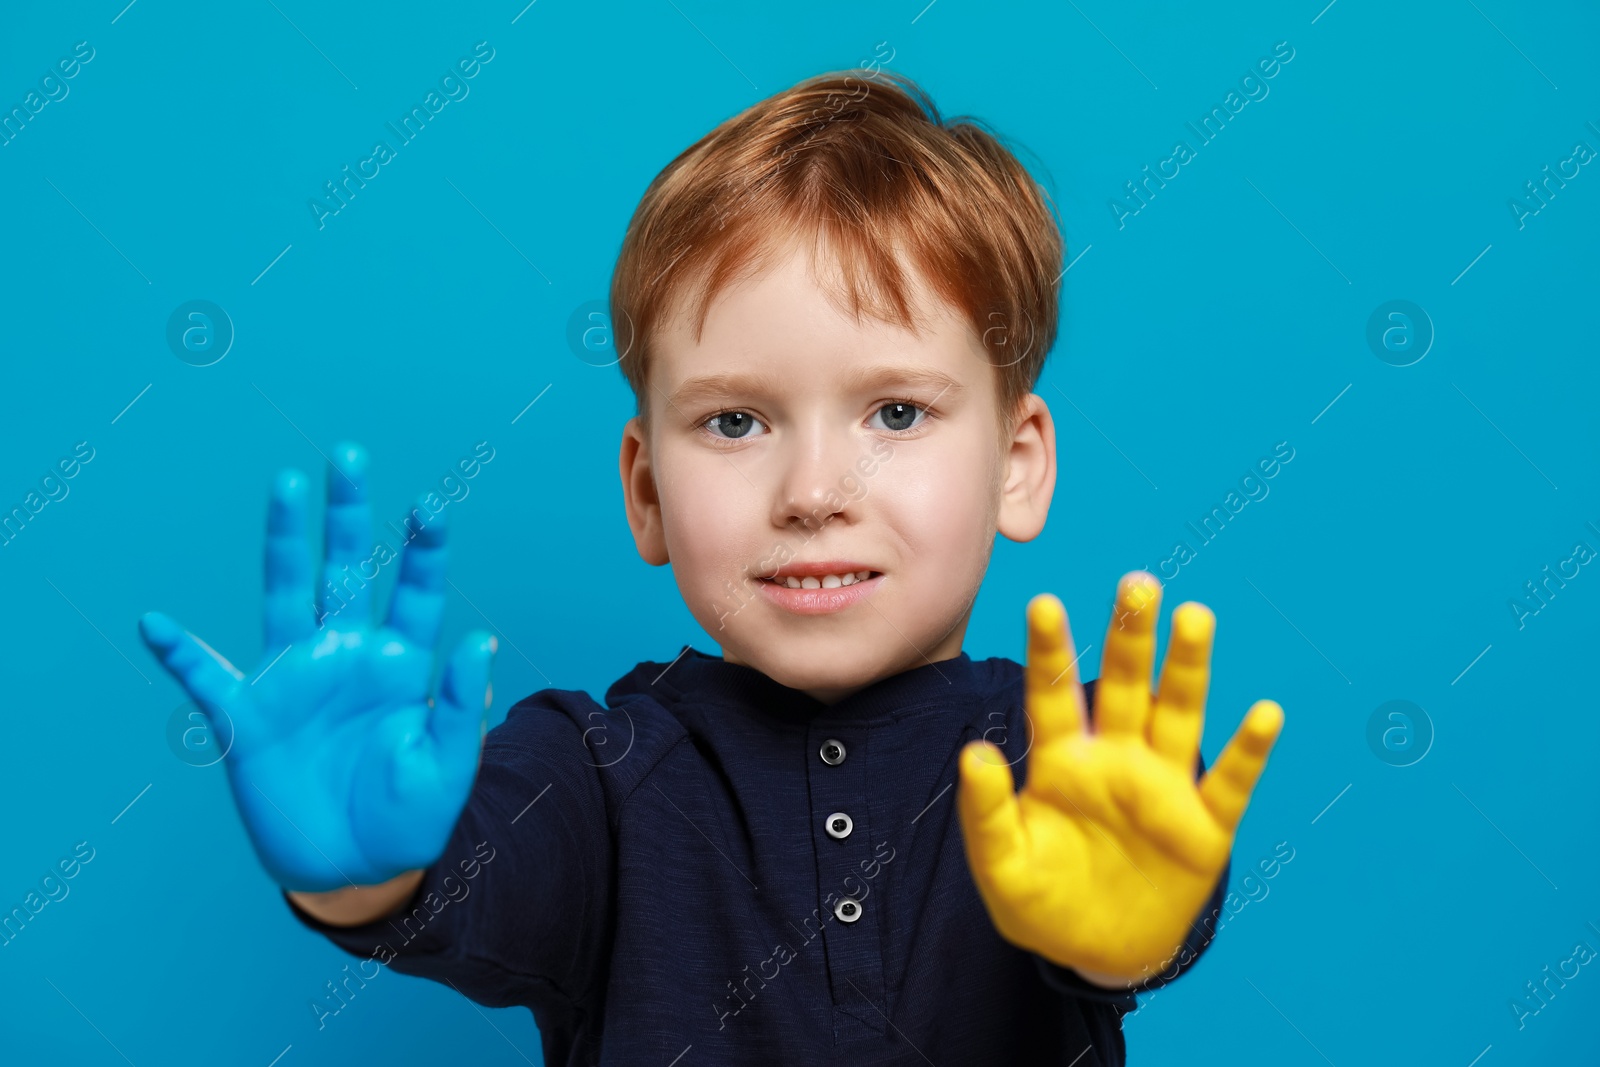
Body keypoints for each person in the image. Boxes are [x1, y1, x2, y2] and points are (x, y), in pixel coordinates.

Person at [138, 68, 1283, 1065]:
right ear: (645, 490)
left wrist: (1124, 929)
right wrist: (355, 864)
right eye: (736, 422)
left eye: (894, 409)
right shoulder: (590, 772)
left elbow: (1142, 901)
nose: (813, 488)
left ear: (1017, 465)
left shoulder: (1071, 751)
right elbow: (461, 879)